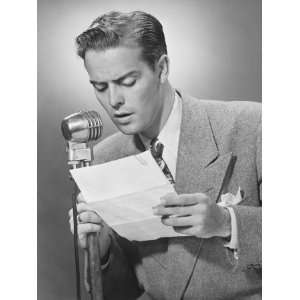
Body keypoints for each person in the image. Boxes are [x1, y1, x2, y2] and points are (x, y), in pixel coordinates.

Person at [68, 11, 261, 300]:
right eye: (100, 86)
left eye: (128, 81)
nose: (114, 101)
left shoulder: (252, 124)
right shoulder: (106, 157)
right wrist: (101, 249)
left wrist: (226, 221)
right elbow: (120, 292)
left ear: (162, 68)